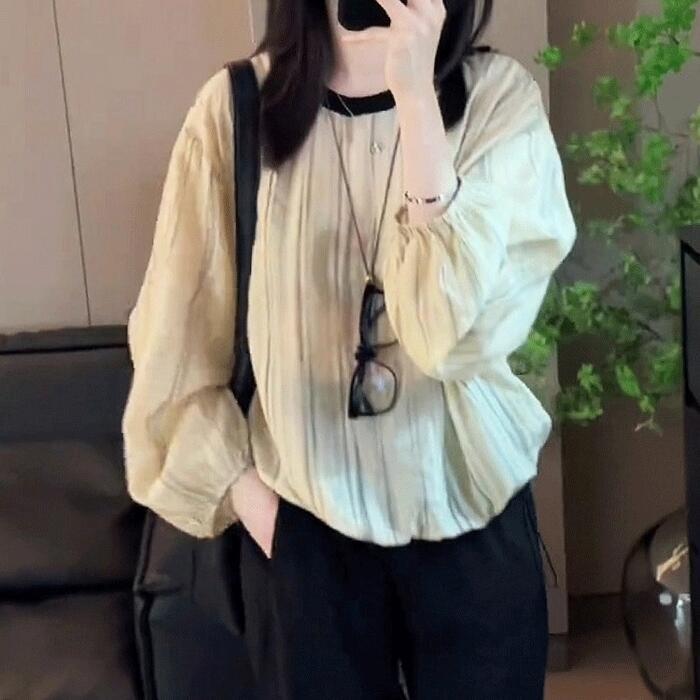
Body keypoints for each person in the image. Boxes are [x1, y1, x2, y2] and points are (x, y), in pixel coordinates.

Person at [122, 0, 577, 697]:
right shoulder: (235, 113)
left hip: (470, 518)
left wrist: (416, 101)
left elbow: (448, 340)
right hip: (304, 533)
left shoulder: (498, 104)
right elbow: (174, 356)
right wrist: (267, 519)